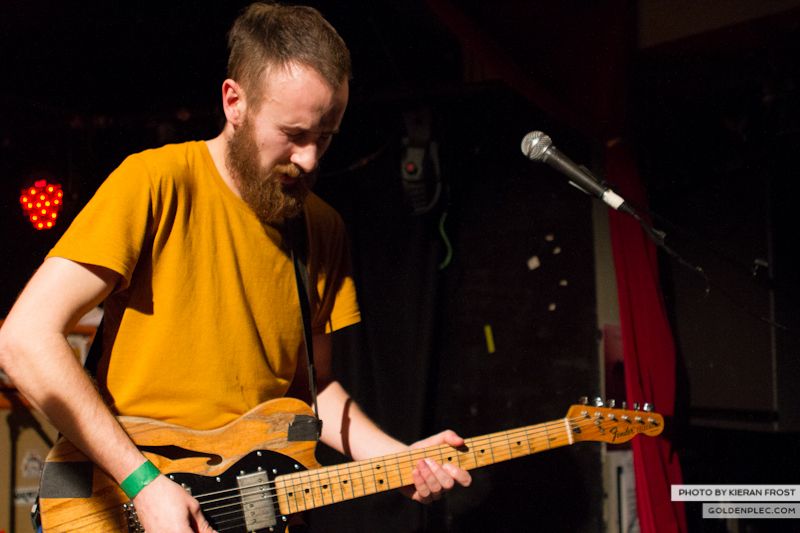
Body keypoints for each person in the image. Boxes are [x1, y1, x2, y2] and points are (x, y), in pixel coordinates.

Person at [0, 3, 471, 532]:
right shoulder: (155, 183)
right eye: (293, 134)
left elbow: (315, 388)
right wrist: (143, 483)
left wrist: (396, 458)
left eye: (327, 136)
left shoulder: (322, 226)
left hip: (246, 510)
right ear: (234, 102)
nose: (311, 159)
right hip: (128, 498)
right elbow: (24, 338)